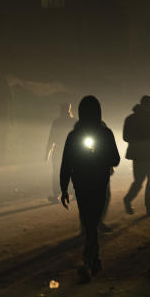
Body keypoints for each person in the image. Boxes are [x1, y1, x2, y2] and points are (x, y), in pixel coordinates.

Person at [60, 95, 121, 283]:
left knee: (90, 222)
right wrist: (63, 188)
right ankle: (91, 261)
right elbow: (67, 163)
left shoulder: (77, 135)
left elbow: (66, 164)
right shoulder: (104, 133)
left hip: (84, 184)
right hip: (96, 184)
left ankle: (91, 261)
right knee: (91, 223)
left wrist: (64, 188)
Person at [122, 95, 150, 215]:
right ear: (149, 104)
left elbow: (125, 137)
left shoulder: (130, 118)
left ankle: (128, 199)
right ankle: (149, 207)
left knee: (139, 180)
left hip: (137, 154)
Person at [44, 103, 75, 203]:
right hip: (70, 151)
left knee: (58, 173)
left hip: (62, 151)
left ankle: (58, 194)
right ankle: (73, 193)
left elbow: (51, 139)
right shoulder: (73, 122)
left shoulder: (57, 122)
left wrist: (47, 153)